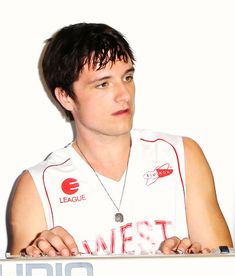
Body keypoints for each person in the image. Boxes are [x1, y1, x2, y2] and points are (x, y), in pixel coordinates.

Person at [8, 22, 232, 257]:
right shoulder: (37, 186)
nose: (124, 95)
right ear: (65, 97)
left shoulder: (181, 155)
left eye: (127, 77)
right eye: (103, 84)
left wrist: (183, 263)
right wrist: (39, 260)